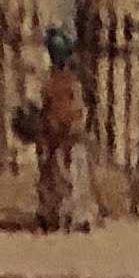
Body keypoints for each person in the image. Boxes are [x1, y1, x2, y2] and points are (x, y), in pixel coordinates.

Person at [20, 30, 97, 231]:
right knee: (64, 177)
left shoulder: (60, 83)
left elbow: (73, 110)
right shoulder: (62, 83)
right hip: (62, 137)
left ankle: (66, 216)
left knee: (64, 176)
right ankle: (63, 215)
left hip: (62, 137)